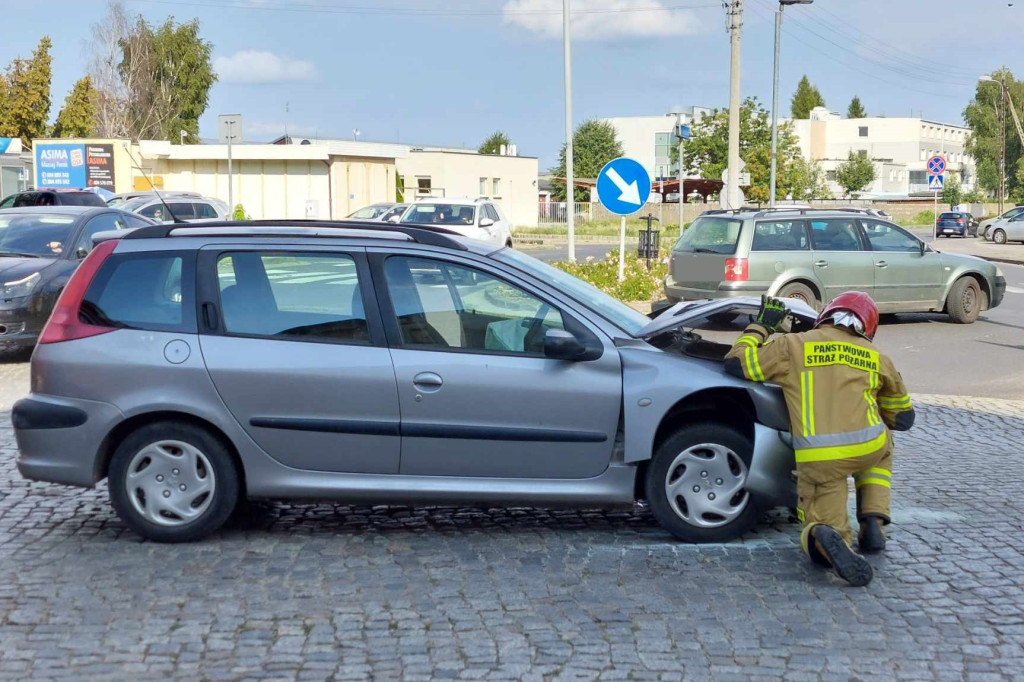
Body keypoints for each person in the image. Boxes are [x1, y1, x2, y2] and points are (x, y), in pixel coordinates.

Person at [724, 293, 915, 586]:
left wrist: (761, 327)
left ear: (825, 316)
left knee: (825, 520)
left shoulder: (793, 346)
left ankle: (824, 535)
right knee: (884, 443)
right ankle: (873, 521)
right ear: (867, 327)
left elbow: (738, 363)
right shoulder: (877, 357)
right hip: (867, 449)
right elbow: (902, 418)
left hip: (820, 459)